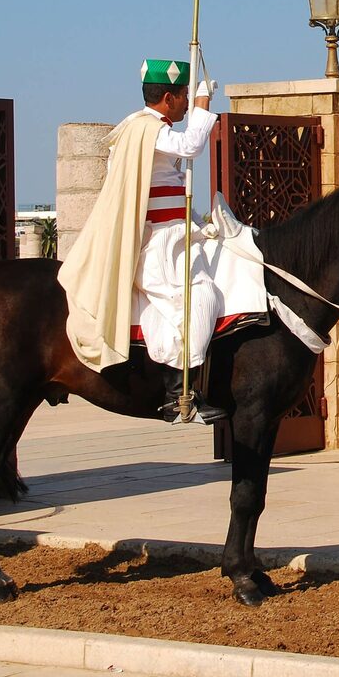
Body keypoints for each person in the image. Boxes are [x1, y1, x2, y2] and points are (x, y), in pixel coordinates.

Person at [58, 59, 266, 423]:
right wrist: (203, 108)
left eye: (190, 97)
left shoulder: (151, 132)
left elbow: (169, 189)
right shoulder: (144, 130)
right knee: (199, 296)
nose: (187, 102)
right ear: (168, 97)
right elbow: (190, 147)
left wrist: (201, 222)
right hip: (160, 246)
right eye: (184, 96)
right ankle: (180, 393)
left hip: (177, 237)